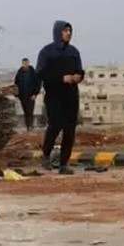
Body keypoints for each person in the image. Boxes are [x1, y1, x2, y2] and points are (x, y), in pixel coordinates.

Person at [35, 20, 84, 174]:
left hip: (71, 94)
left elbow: (80, 70)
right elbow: (41, 73)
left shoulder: (73, 52)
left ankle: (64, 163)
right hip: (54, 93)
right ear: (58, 32)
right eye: (65, 30)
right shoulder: (47, 52)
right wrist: (61, 78)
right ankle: (46, 154)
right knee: (55, 124)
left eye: (70, 30)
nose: (68, 33)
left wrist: (78, 76)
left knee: (70, 129)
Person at [13, 58, 39, 131]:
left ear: (28, 63)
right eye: (24, 63)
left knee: (30, 111)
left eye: (26, 63)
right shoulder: (19, 72)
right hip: (22, 96)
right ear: (22, 64)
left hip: (31, 96)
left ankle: (30, 125)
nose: (25, 65)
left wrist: (35, 94)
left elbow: (38, 83)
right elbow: (16, 83)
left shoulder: (33, 72)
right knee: (25, 111)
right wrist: (16, 94)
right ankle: (28, 126)